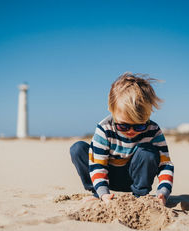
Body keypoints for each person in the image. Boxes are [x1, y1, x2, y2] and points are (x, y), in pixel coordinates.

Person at [70, 72, 174, 205]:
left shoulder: (153, 130)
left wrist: (163, 192)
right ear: (111, 110)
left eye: (139, 126)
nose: (131, 131)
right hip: (107, 175)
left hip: (135, 178)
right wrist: (103, 193)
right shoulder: (105, 128)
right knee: (78, 149)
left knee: (148, 152)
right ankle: (97, 193)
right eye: (123, 126)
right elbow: (98, 165)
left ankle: (140, 196)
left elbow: (165, 165)